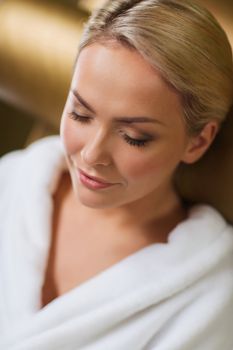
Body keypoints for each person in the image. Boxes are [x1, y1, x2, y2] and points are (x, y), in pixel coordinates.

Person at [1, 0, 233, 349]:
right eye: (80, 114)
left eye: (134, 138)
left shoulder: (210, 296)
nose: (92, 155)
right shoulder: (12, 181)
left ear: (198, 141)